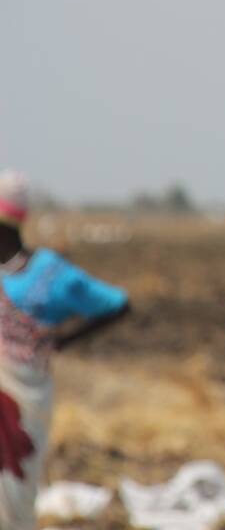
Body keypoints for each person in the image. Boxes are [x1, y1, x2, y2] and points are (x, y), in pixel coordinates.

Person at [0, 170, 131, 530]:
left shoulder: (47, 274)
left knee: (13, 489)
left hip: (25, 400)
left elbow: (116, 305)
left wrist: (63, 341)